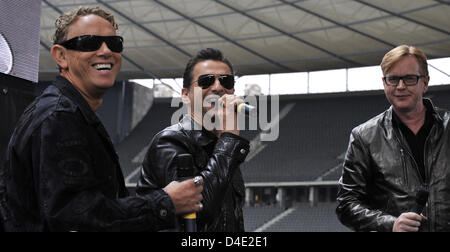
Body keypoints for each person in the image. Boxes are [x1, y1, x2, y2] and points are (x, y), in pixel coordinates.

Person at [0, 7, 203, 232]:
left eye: (114, 44)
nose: (106, 51)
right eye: (89, 43)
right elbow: (76, 218)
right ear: (61, 55)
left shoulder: (67, 111)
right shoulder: (59, 117)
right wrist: (166, 202)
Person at [336, 45, 450, 232]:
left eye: (409, 78)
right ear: (384, 83)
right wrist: (391, 224)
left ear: (425, 82)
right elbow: (347, 204)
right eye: (393, 79)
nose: (400, 86)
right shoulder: (364, 137)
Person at [136, 48, 250, 232]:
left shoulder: (223, 147)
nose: (218, 87)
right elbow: (198, 210)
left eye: (225, 81)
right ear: (185, 95)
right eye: (206, 81)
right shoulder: (169, 142)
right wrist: (229, 141)